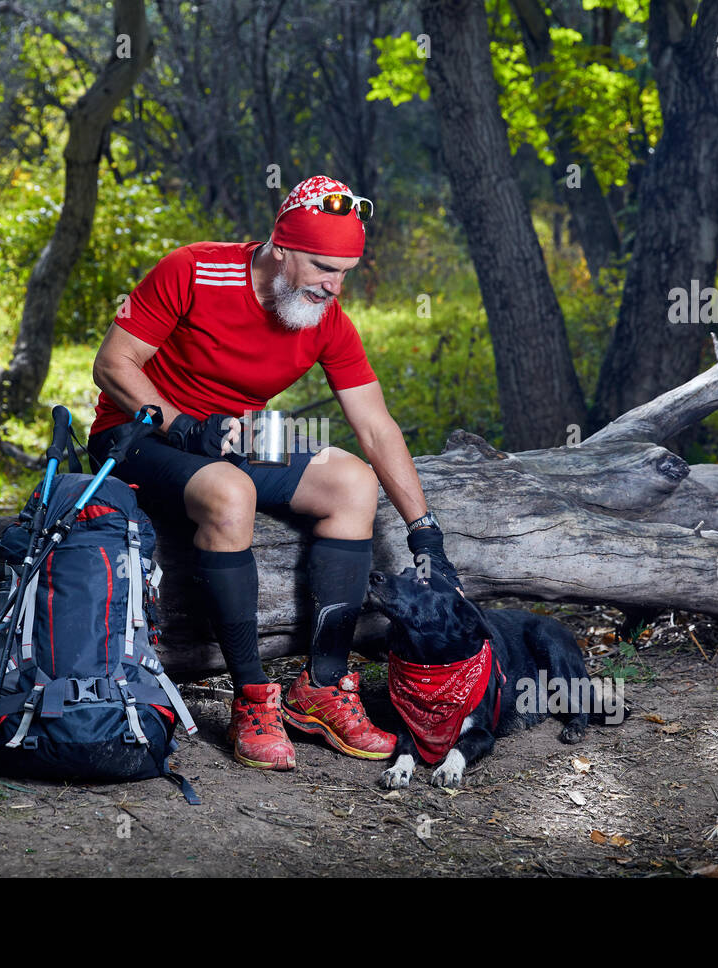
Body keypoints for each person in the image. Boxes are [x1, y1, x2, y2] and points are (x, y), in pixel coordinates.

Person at [87, 174, 462, 771]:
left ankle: (322, 687)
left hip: (237, 435)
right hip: (139, 434)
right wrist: (181, 425)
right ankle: (253, 697)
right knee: (231, 491)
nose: (333, 286)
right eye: (321, 267)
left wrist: (425, 531)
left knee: (353, 480)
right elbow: (113, 363)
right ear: (281, 247)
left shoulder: (324, 317)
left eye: (345, 272)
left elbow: (376, 426)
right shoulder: (191, 270)